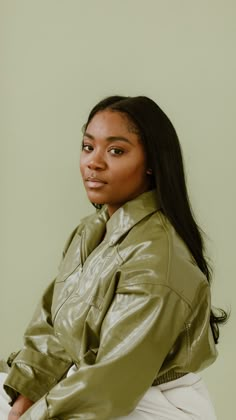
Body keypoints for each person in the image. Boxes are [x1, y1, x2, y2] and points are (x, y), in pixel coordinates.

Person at [0, 95, 227, 419]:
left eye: (116, 150)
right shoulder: (91, 231)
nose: (94, 162)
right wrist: (21, 399)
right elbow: (55, 329)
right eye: (88, 147)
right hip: (97, 388)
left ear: (151, 162)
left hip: (150, 405)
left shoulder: (157, 261)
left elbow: (110, 384)